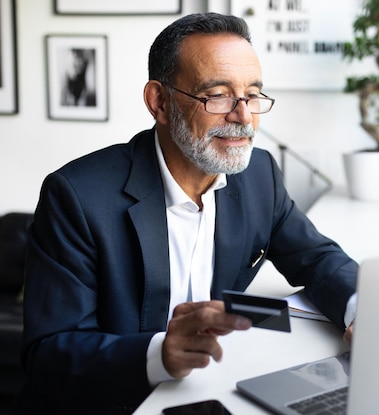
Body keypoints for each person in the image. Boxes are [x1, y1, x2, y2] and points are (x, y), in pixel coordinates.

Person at [16, 13, 358, 414]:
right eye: (218, 95)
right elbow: (48, 354)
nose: (244, 117)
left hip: (213, 392)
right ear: (159, 102)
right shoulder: (77, 195)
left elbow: (317, 258)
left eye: (252, 94)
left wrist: (361, 311)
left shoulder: (259, 175)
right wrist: (159, 353)